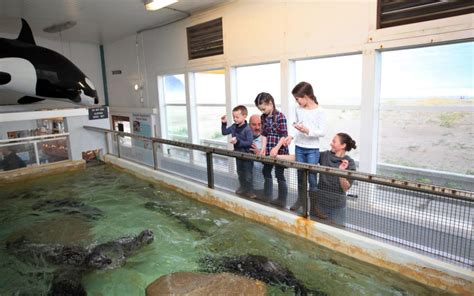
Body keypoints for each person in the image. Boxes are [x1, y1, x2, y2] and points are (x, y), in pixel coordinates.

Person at [286, 81, 325, 211]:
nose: (297, 102)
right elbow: (296, 125)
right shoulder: (298, 109)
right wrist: (291, 136)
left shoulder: (320, 111)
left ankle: (314, 207)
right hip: (299, 147)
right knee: (300, 177)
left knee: (312, 179)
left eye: (298, 99)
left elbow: (322, 132)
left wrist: (307, 131)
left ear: (306, 96)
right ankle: (301, 202)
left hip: (312, 150)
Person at [254, 92, 289, 207]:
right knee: (266, 171)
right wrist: (263, 148)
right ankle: (267, 195)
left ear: (270, 103)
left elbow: (284, 135)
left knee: (279, 174)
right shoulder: (263, 117)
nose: (262, 111)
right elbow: (264, 134)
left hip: (279, 149)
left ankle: (282, 199)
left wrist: (277, 148)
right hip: (268, 149)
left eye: (263, 108)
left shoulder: (280, 116)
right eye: (260, 109)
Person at [314, 133, 357, 225]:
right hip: (320, 205)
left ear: (343, 145)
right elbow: (303, 157)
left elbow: (346, 188)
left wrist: (341, 172)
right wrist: (278, 156)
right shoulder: (325, 155)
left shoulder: (350, 163)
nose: (331, 143)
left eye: (334, 141)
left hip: (338, 207)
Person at [221, 105, 256, 198]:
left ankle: (250, 190)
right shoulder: (233, 127)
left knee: (248, 174)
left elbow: (249, 142)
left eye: (237, 117)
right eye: (234, 117)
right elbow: (224, 132)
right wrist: (224, 123)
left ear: (244, 116)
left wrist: (238, 141)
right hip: (238, 154)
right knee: (240, 172)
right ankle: (243, 187)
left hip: (247, 156)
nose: (235, 119)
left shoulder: (248, 129)